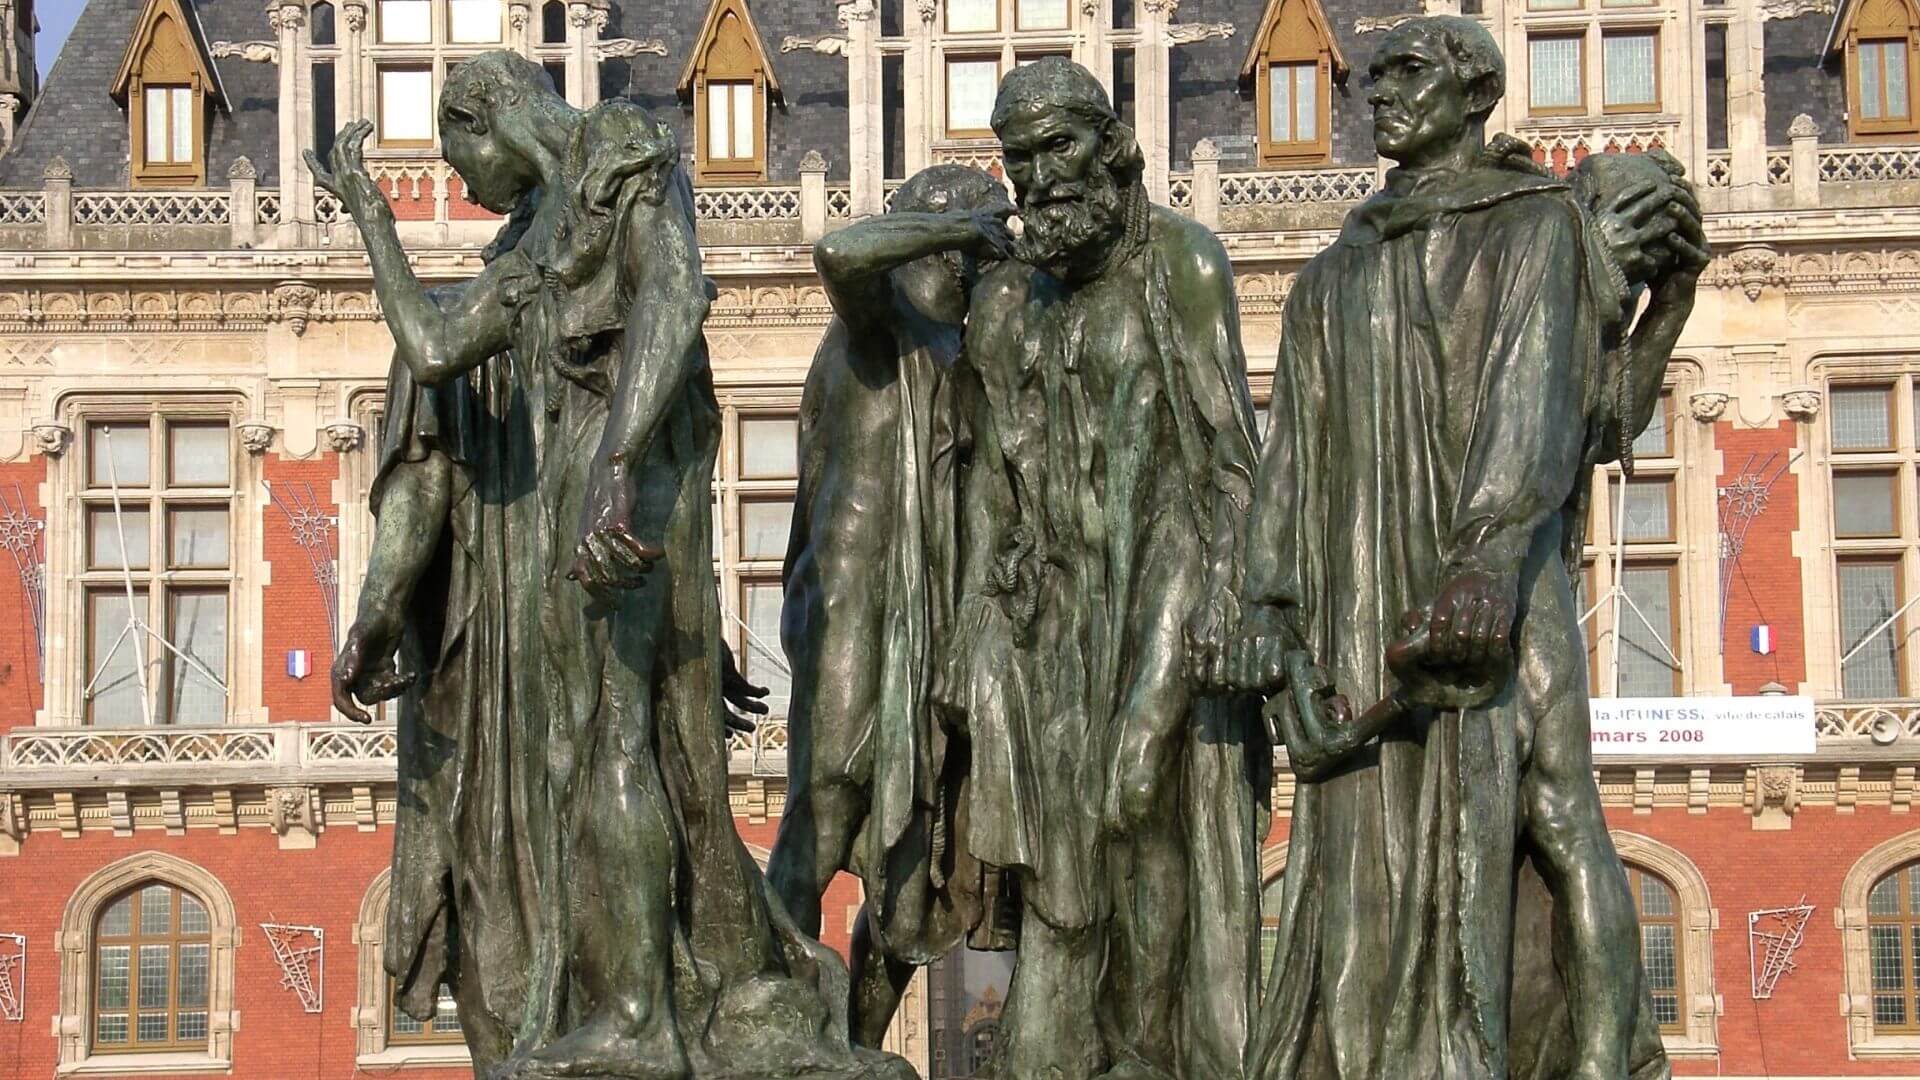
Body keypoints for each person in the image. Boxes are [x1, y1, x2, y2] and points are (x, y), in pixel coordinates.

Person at [317, 50, 908, 1080]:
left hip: (611, 490)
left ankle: (639, 1013)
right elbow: (436, 343)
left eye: (455, 154)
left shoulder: (618, 148)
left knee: (608, 743)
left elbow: (675, 297)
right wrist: (371, 218)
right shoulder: (532, 238)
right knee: (599, 756)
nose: (458, 184)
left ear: (485, 115)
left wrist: (620, 473)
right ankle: (640, 991)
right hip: (592, 499)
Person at [1232, 17, 1704, 1080]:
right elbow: (1294, 455)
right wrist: (1265, 601)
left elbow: (1557, 409)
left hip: (1501, 576)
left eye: (1408, 75)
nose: (1380, 97)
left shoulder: (1537, 226)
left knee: (1552, 806)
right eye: (1378, 77)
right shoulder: (1332, 274)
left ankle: (1598, 1061)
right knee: (1374, 836)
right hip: (1366, 591)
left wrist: (1487, 559)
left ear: (1474, 92)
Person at [947, 56, 1267, 1080]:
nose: (1039, 176)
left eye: (1060, 146)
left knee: (1147, 817)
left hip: (1163, 609)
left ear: (1112, 145)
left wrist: (1168, 673)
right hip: (1044, 637)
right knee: (1059, 889)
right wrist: (971, 636)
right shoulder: (1002, 305)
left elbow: (1227, 474)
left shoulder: (1182, 264)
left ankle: (1147, 1053)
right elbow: (993, 489)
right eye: (1018, 158)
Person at [766, 163, 1017, 1045]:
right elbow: (838, 249)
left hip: (941, 623)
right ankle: (773, 1022)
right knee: (830, 796)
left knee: (922, 864)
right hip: (853, 607)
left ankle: (857, 1048)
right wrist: (954, 226)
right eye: (972, 247)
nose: (980, 270)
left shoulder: (970, 353)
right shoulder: (875, 325)